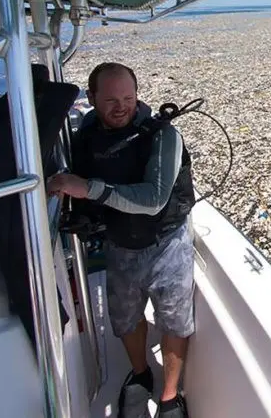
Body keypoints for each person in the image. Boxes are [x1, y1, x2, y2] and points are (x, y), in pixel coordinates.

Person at [48, 62, 196, 418]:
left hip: (166, 243)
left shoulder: (162, 136)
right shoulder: (87, 133)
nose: (121, 106)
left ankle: (170, 396)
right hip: (119, 242)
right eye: (111, 99)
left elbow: (154, 198)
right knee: (125, 318)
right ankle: (141, 374)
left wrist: (87, 189)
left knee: (174, 320)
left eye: (128, 98)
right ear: (91, 98)